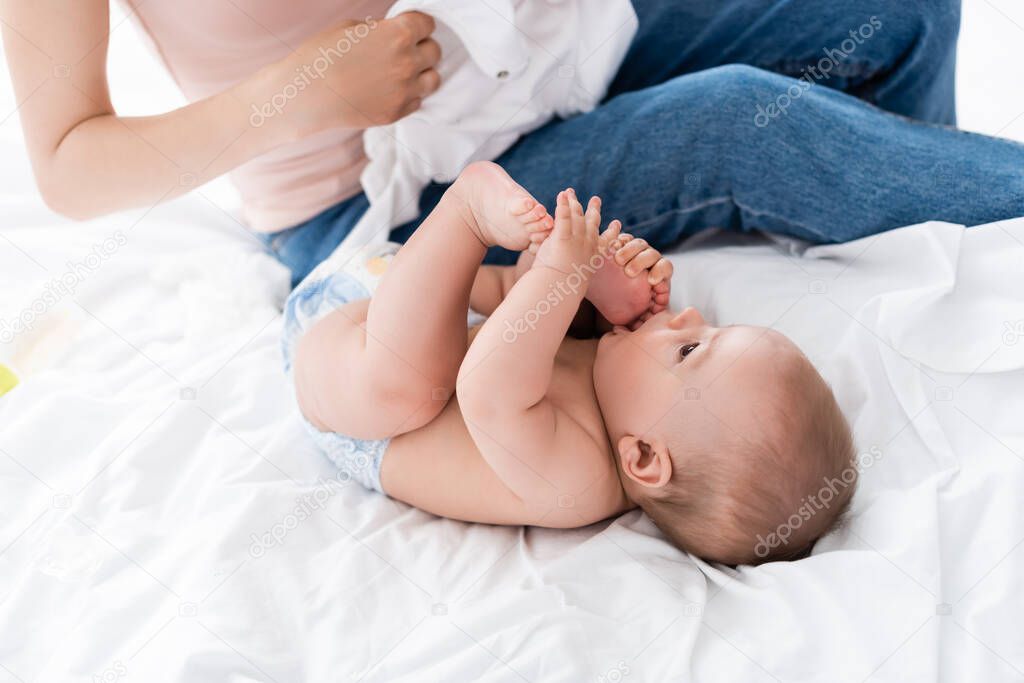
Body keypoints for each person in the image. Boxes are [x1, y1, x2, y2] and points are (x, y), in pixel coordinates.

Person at [10, 1, 1016, 287]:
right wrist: (301, 92)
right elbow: (69, 167)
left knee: (900, 13)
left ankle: (926, 267)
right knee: (741, 124)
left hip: (547, 58)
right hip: (382, 207)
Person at [283, 161, 855, 565]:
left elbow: (486, 388)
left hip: (348, 378)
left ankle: (466, 212)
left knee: (409, 391)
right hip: (411, 302)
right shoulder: (625, 399)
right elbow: (517, 333)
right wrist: (601, 301)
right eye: (708, 327)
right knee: (537, 313)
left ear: (645, 458)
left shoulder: (576, 483)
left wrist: (563, 276)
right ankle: (535, 272)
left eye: (690, 349)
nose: (690, 314)